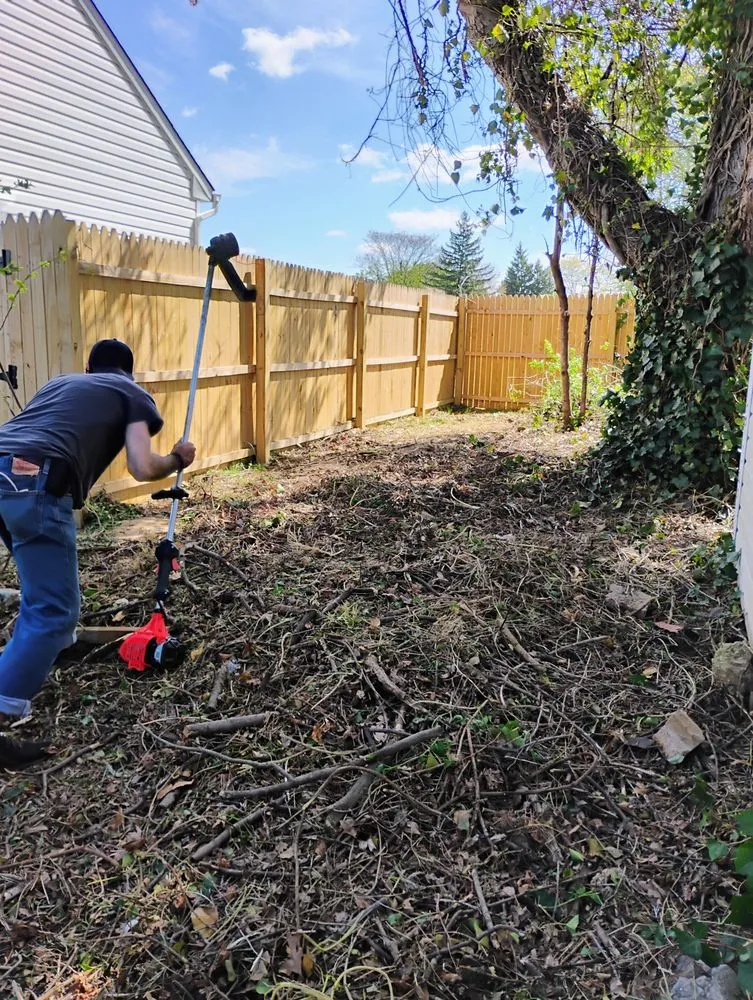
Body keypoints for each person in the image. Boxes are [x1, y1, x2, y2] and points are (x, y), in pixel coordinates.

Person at [0, 339, 196, 769]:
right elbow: (142, 467)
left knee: (42, 594)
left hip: (4, 468)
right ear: (131, 370)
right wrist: (177, 457)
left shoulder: (59, 383)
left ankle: (48, 647)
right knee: (54, 610)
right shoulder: (131, 393)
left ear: (88, 367)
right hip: (36, 481)